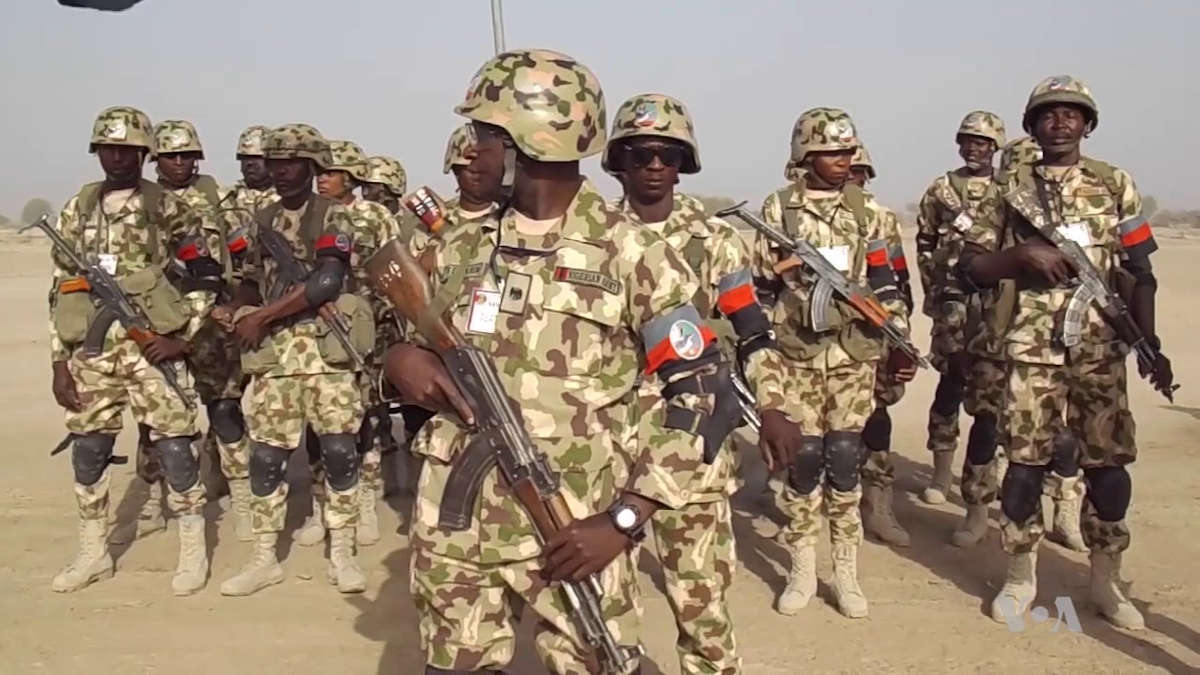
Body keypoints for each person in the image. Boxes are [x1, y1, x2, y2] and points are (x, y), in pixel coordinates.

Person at [384, 48, 741, 674]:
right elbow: (401, 339)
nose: (470, 152)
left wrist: (626, 517)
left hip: (574, 531)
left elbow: (706, 398)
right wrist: (397, 359)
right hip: (456, 528)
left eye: (484, 135)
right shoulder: (462, 244)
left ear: (526, 143)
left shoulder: (632, 253)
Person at [960, 75, 1171, 629]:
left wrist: (1149, 341)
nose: (1060, 122)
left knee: (1108, 468)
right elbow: (973, 267)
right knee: (1025, 468)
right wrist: (1021, 256)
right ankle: (1020, 575)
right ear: (1032, 126)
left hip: (1100, 348)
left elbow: (1140, 271)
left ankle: (1105, 581)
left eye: (1071, 114)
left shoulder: (1114, 183)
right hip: (1029, 349)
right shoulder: (1008, 189)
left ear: (1087, 124)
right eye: (1048, 114)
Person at [604, 93, 780, 674]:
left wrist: (776, 406)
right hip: (607, 444)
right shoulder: (592, 238)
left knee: (701, 601)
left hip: (695, 443)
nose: (655, 165)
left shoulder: (717, 240)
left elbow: (751, 327)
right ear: (618, 162)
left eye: (668, 154)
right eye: (640, 153)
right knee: (606, 605)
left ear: (684, 165)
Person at [48, 106, 219, 595]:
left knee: (176, 449)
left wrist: (183, 335)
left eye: (127, 149)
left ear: (144, 154)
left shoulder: (167, 206)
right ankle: (93, 550)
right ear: (97, 152)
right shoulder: (76, 209)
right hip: (92, 353)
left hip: (151, 349)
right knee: (88, 450)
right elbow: (61, 288)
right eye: (109, 148)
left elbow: (206, 276)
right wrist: (60, 360)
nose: (118, 157)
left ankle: (192, 548)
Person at [754, 108, 913, 619]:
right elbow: (759, 287)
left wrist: (899, 338)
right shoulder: (778, 212)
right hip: (796, 355)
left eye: (847, 151)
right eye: (831, 152)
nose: (843, 161)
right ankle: (802, 564)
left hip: (854, 355)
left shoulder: (874, 214)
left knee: (845, 457)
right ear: (805, 154)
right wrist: (788, 265)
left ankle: (845, 568)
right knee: (804, 461)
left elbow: (890, 285)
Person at [219, 123, 371, 596]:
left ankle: (341, 550)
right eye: (275, 162)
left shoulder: (335, 217)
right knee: (266, 456)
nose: (281, 171)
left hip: (327, 348)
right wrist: (235, 310)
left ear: (312, 167)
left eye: (291, 163)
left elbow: (326, 283)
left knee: (341, 451)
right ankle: (264, 557)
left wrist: (260, 317)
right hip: (275, 357)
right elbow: (248, 276)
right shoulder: (260, 219)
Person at [152, 119, 258, 542]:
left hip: (214, 324)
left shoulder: (223, 200)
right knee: (158, 420)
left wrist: (233, 305)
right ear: (156, 160)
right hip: (161, 324)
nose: (179, 163)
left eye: (186, 155)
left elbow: (244, 256)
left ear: (197, 158)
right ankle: (156, 496)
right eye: (169, 156)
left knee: (225, 410)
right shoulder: (145, 205)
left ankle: (243, 494)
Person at [306, 139, 401, 547]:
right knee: (318, 419)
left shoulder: (374, 215)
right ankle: (319, 505)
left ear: (351, 177)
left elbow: (395, 267)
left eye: (330, 172)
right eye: (319, 172)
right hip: (319, 328)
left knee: (367, 414)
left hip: (368, 326)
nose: (322, 179)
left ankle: (365, 501)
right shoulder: (313, 215)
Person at [914, 110, 1008, 506]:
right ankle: (940, 473)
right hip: (952, 304)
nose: (975, 148)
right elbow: (923, 243)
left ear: (995, 147)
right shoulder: (942, 190)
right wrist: (936, 295)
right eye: (969, 141)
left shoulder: (1012, 190)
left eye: (983, 142)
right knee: (950, 383)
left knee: (992, 396)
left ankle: (984, 485)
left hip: (997, 307)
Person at [848, 144, 915, 548]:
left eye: (859, 172)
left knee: (876, 417)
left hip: (871, 335)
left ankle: (877, 502)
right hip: (812, 339)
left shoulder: (881, 219)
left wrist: (899, 339)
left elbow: (898, 282)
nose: (851, 178)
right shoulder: (796, 214)